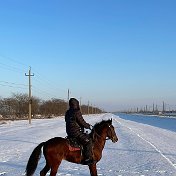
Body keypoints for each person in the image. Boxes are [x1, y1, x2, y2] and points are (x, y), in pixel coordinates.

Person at [65, 98, 94, 165]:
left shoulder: (67, 112)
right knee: (88, 141)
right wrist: (88, 126)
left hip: (69, 131)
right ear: (76, 104)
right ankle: (87, 159)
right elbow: (81, 121)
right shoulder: (77, 111)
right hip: (76, 132)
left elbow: (68, 121)